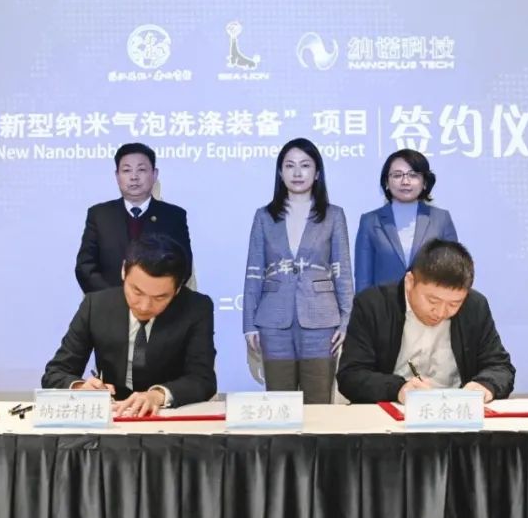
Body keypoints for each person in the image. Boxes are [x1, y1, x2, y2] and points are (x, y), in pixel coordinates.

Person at [44, 234, 215, 417]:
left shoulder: (196, 308)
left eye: (160, 297)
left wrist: (157, 395)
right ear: (123, 271)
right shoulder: (96, 305)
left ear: (178, 289)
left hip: (167, 415)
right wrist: (81, 388)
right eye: (137, 292)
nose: (144, 306)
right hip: (114, 413)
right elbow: (55, 373)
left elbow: (202, 379)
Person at [243, 138, 354, 403]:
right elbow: (253, 273)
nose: (297, 172)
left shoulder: (334, 215)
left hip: (322, 321)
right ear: (280, 173)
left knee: (318, 402)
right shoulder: (264, 216)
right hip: (273, 322)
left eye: (305, 165)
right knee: (280, 403)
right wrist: (248, 324)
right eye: (289, 165)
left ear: (317, 173)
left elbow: (343, 272)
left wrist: (346, 320)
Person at [337, 238, 514, 404]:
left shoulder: (475, 306)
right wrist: (398, 389)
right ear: (409, 282)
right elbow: (351, 375)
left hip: (456, 411)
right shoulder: (373, 305)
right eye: (433, 301)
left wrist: (485, 385)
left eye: (454, 304)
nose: (441, 312)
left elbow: (500, 367)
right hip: (394, 410)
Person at [75, 142, 192, 293]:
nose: (134, 177)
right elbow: (85, 266)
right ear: (117, 176)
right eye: (126, 170)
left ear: (154, 174)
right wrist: (113, 299)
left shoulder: (174, 216)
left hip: (157, 303)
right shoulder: (99, 215)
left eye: (141, 170)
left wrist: (151, 297)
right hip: (108, 303)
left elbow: (183, 266)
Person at [354, 149, 458, 292]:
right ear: (386, 182)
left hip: (430, 302)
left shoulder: (441, 219)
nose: (405, 181)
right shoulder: (370, 221)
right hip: (384, 303)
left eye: (413, 175)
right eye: (397, 175)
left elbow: (453, 271)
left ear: (425, 182)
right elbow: (363, 278)